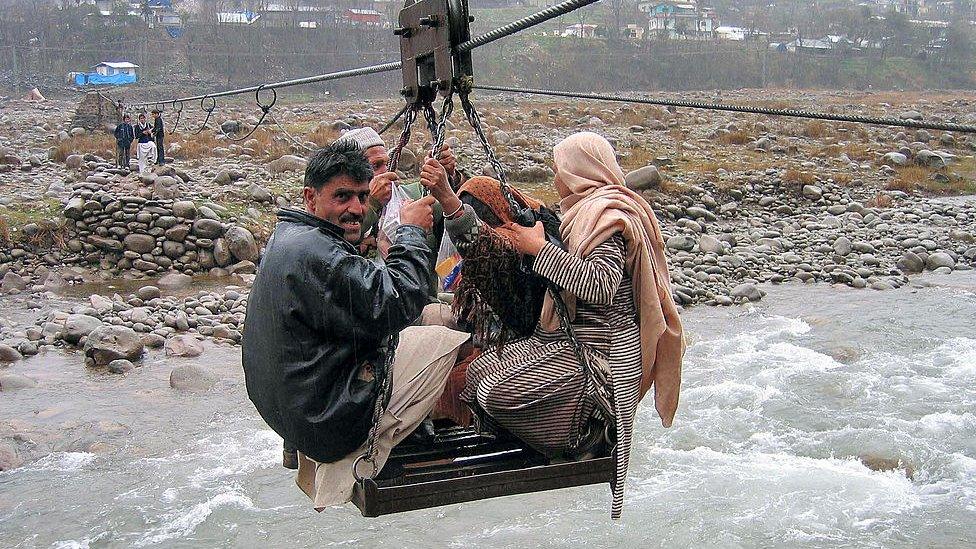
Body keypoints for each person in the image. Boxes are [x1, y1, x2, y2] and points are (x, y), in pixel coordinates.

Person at [419, 132, 686, 519]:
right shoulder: (585, 212)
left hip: (597, 362)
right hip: (567, 341)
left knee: (495, 393)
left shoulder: (608, 217)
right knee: (477, 374)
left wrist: (536, 249)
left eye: (558, 170)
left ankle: (582, 431)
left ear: (578, 173)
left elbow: (600, 286)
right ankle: (548, 425)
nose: (555, 179)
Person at [242, 140, 469, 511]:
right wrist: (411, 233)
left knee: (420, 324)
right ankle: (405, 433)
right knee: (448, 337)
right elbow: (399, 300)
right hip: (330, 422)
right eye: (343, 196)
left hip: (297, 413)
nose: (356, 208)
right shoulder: (320, 255)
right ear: (310, 198)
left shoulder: (292, 237)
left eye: (363, 197)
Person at [335, 127, 463, 291]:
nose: (385, 171)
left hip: (420, 304)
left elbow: (456, 207)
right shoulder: (337, 211)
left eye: (387, 163)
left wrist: (447, 176)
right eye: (376, 166)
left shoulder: (411, 196)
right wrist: (372, 203)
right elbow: (335, 243)